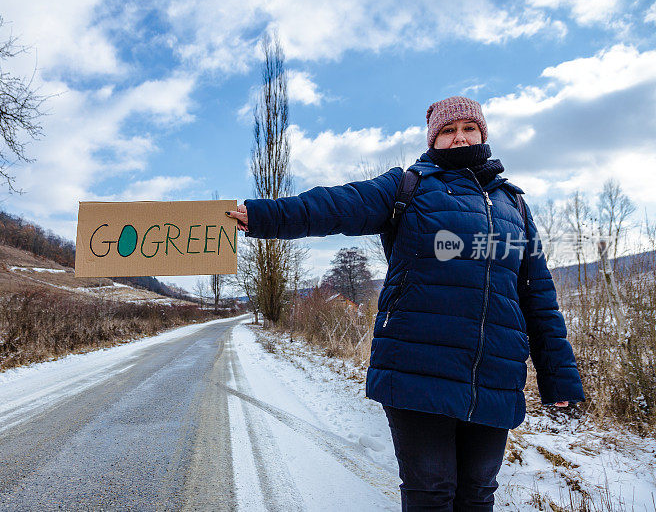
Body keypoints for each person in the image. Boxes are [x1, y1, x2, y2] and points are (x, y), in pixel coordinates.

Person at [226, 96, 585, 511]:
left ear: (483, 133)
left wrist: (559, 377)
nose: (459, 137)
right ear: (434, 138)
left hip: (494, 377)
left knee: (479, 493)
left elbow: (538, 297)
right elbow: (336, 205)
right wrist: (265, 215)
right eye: (448, 131)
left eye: (469, 128)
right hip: (418, 370)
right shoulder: (409, 187)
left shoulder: (514, 206)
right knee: (430, 493)